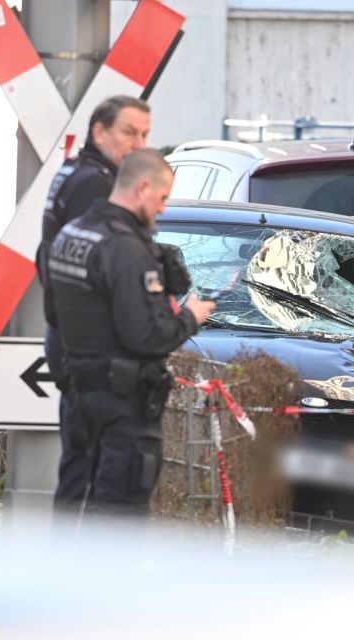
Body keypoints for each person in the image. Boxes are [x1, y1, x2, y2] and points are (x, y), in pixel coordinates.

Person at [48, 149, 215, 517]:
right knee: (118, 514)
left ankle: (60, 574)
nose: (163, 209)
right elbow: (144, 336)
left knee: (74, 498)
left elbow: (57, 312)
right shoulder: (123, 248)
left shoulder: (72, 233)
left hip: (79, 395)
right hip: (121, 405)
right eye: (162, 197)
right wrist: (190, 317)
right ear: (142, 187)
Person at [38, 96, 150, 512]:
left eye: (145, 135)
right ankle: (77, 568)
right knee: (94, 473)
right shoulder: (94, 185)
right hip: (85, 347)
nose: (138, 144)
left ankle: (69, 565)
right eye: (128, 132)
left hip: (71, 341)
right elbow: (90, 273)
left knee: (79, 467)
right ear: (98, 132)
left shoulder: (77, 171)